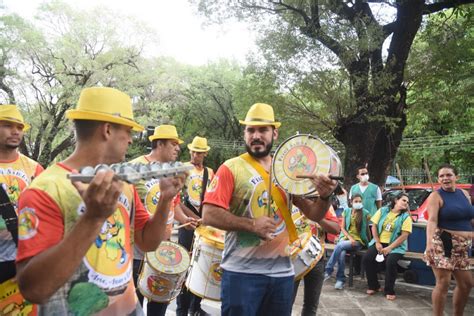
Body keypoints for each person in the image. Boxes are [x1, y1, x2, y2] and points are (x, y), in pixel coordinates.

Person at [15, 87, 185, 315]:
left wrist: (166, 200)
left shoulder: (122, 182)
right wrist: (92, 218)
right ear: (107, 130)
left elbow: (147, 243)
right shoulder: (45, 189)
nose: (131, 140)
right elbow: (34, 289)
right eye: (128, 131)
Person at [201, 103, 338, 316]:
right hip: (241, 273)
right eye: (251, 130)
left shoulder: (288, 171)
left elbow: (314, 214)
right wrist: (251, 224)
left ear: (274, 133)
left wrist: (325, 196)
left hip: (282, 274)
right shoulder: (230, 168)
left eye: (263, 130)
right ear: (245, 134)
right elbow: (208, 214)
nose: (256, 135)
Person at [129, 124, 189, 315]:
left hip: (164, 255)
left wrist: (186, 218)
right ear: (160, 144)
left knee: (158, 311)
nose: (178, 148)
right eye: (174, 143)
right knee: (134, 308)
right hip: (137, 255)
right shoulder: (135, 168)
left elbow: (174, 204)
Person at [0, 105, 43, 315]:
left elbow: (45, 215)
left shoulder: (34, 169)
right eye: (7, 126)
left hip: (24, 259)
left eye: (19, 127)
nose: (15, 131)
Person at [424, 164, 473, 316]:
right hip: (443, 243)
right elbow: (432, 221)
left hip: (463, 246)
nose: (445, 178)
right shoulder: (435, 196)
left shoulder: (464, 194)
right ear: (438, 179)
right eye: (442, 176)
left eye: (449, 175)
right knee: (443, 283)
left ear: (456, 177)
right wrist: (429, 242)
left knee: (466, 284)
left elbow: (469, 217)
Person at [176, 136, 214, 316]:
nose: (195, 154)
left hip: (204, 223)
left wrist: (206, 218)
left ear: (205, 154)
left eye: (199, 152)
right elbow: (176, 200)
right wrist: (190, 217)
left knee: (201, 264)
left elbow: (212, 199)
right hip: (187, 221)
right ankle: (181, 308)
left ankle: (195, 306)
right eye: (193, 151)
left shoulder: (210, 172)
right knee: (185, 264)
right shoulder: (183, 169)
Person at [362, 192, 412, 300]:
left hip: (396, 246)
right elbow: (374, 226)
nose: (406, 203)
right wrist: (377, 242)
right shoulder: (383, 210)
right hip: (379, 242)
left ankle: (389, 290)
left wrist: (390, 248)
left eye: (407, 202)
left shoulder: (405, 217)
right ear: (396, 200)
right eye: (404, 200)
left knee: (391, 262)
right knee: (367, 258)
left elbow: (404, 236)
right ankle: (374, 286)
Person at [293, 206, 340, 316]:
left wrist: (316, 216)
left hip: (316, 258)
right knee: (285, 302)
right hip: (291, 259)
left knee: (311, 305)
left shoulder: (322, 202)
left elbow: (336, 228)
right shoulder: (287, 198)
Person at [324, 194, 371, 290]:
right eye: (356, 201)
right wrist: (350, 238)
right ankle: (340, 280)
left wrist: (369, 243)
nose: (358, 203)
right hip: (346, 239)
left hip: (358, 241)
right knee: (341, 253)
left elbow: (367, 229)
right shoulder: (347, 211)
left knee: (340, 245)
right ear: (351, 202)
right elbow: (342, 228)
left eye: (360, 201)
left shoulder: (365, 213)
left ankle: (328, 270)